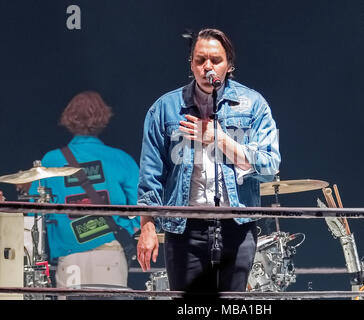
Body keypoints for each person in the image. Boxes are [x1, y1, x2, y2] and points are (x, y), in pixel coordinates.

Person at [137, 28, 281, 293]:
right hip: (184, 229)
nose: (208, 67)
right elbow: (151, 173)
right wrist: (147, 226)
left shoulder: (253, 104)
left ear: (229, 65)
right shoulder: (165, 108)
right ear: (191, 64)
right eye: (200, 60)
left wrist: (219, 139)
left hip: (237, 226)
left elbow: (270, 165)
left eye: (215, 60)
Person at [28, 91, 140, 289]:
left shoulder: (50, 161)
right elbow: (142, 207)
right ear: (103, 118)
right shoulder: (120, 159)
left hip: (69, 257)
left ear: (69, 118)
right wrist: (127, 229)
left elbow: (32, 216)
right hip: (110, 253)